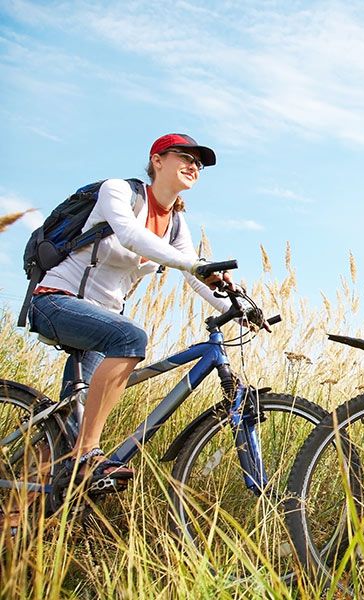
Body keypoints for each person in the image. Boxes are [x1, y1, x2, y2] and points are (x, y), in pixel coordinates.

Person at [28, 133, 231, 489]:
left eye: (199, 164)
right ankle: (87, 456)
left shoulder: (176, 224)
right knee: (130, 336)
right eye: (185, 157)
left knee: (66, 426)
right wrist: (194, 263)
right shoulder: (119, 191)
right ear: (157, 160)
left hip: (98, 321)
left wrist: (238, 305)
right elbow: (130, 236)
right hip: (56, 301)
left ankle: (25, 513)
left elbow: (193, 276)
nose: (193, 166)